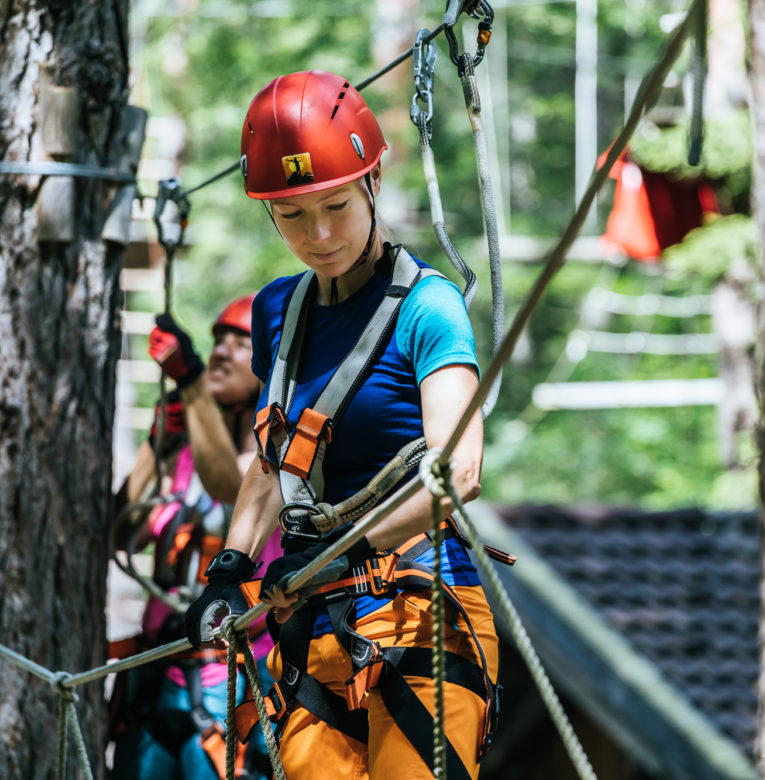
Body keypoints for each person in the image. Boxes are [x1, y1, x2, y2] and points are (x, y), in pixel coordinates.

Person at [182, 70, 501, 779]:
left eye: (335, 206)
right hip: (317, 623)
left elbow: (460, 474)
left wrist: (338, 557)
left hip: (425, 607)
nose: (319, 234)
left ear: (374, 181)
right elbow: (277, 457)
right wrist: (232, 566)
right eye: (292, 215)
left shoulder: (430, 308)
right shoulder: (277, 312)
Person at [110, 294, 281, 780]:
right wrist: (156, 445)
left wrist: (190, 384)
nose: (222, 352)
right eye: (218, 341)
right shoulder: (184, 454)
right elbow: (124, 535)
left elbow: (229, 483)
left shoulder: (278, 458)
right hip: (157, 675)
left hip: (232, 682)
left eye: (240, 343)